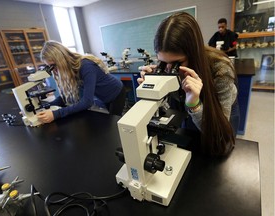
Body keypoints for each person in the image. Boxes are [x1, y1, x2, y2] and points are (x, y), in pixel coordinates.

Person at [138, 12, 240, 156]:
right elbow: (169, 108)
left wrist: (194, 104)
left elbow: (219, 137)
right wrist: (152, 92)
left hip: (219, 108)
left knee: (221, 149)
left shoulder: (221, 70)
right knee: (192, 144)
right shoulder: (167, 65)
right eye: (163, 62)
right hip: (191, 105)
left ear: (194, 53)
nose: (169, 69)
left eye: (177, 63)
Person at [36, 40, 126, 123]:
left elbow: (87, 102)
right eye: (49, 67)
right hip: (102, 95)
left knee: (115, 123)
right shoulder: (70, 69)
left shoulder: (86, 66)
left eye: (53, 66)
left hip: (115, 92)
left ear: (61, 60)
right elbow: (66, 97)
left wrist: (56, 114)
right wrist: (43, 107)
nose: (53, 71)